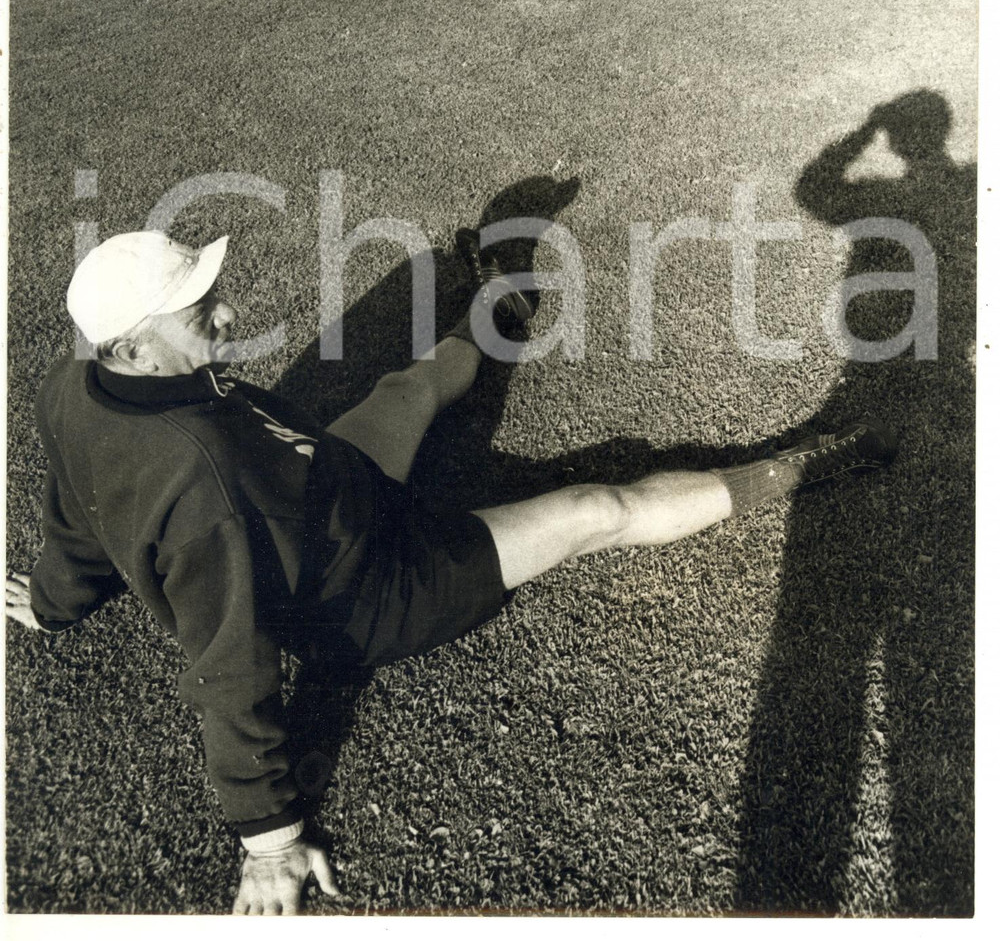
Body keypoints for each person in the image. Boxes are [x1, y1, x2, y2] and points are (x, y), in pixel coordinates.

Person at [6, 227, 897, 915]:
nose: (231, 318)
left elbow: (76, 514)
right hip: (378, 590)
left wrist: (54, 602)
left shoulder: (76, 383)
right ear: (130, 348)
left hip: (328, 480)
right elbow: (229, 669)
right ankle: (803, 466)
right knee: (596, 511)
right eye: (203, 317)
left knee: (407, 389)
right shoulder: (201, 495)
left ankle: (492, 302)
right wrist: (269, 843)